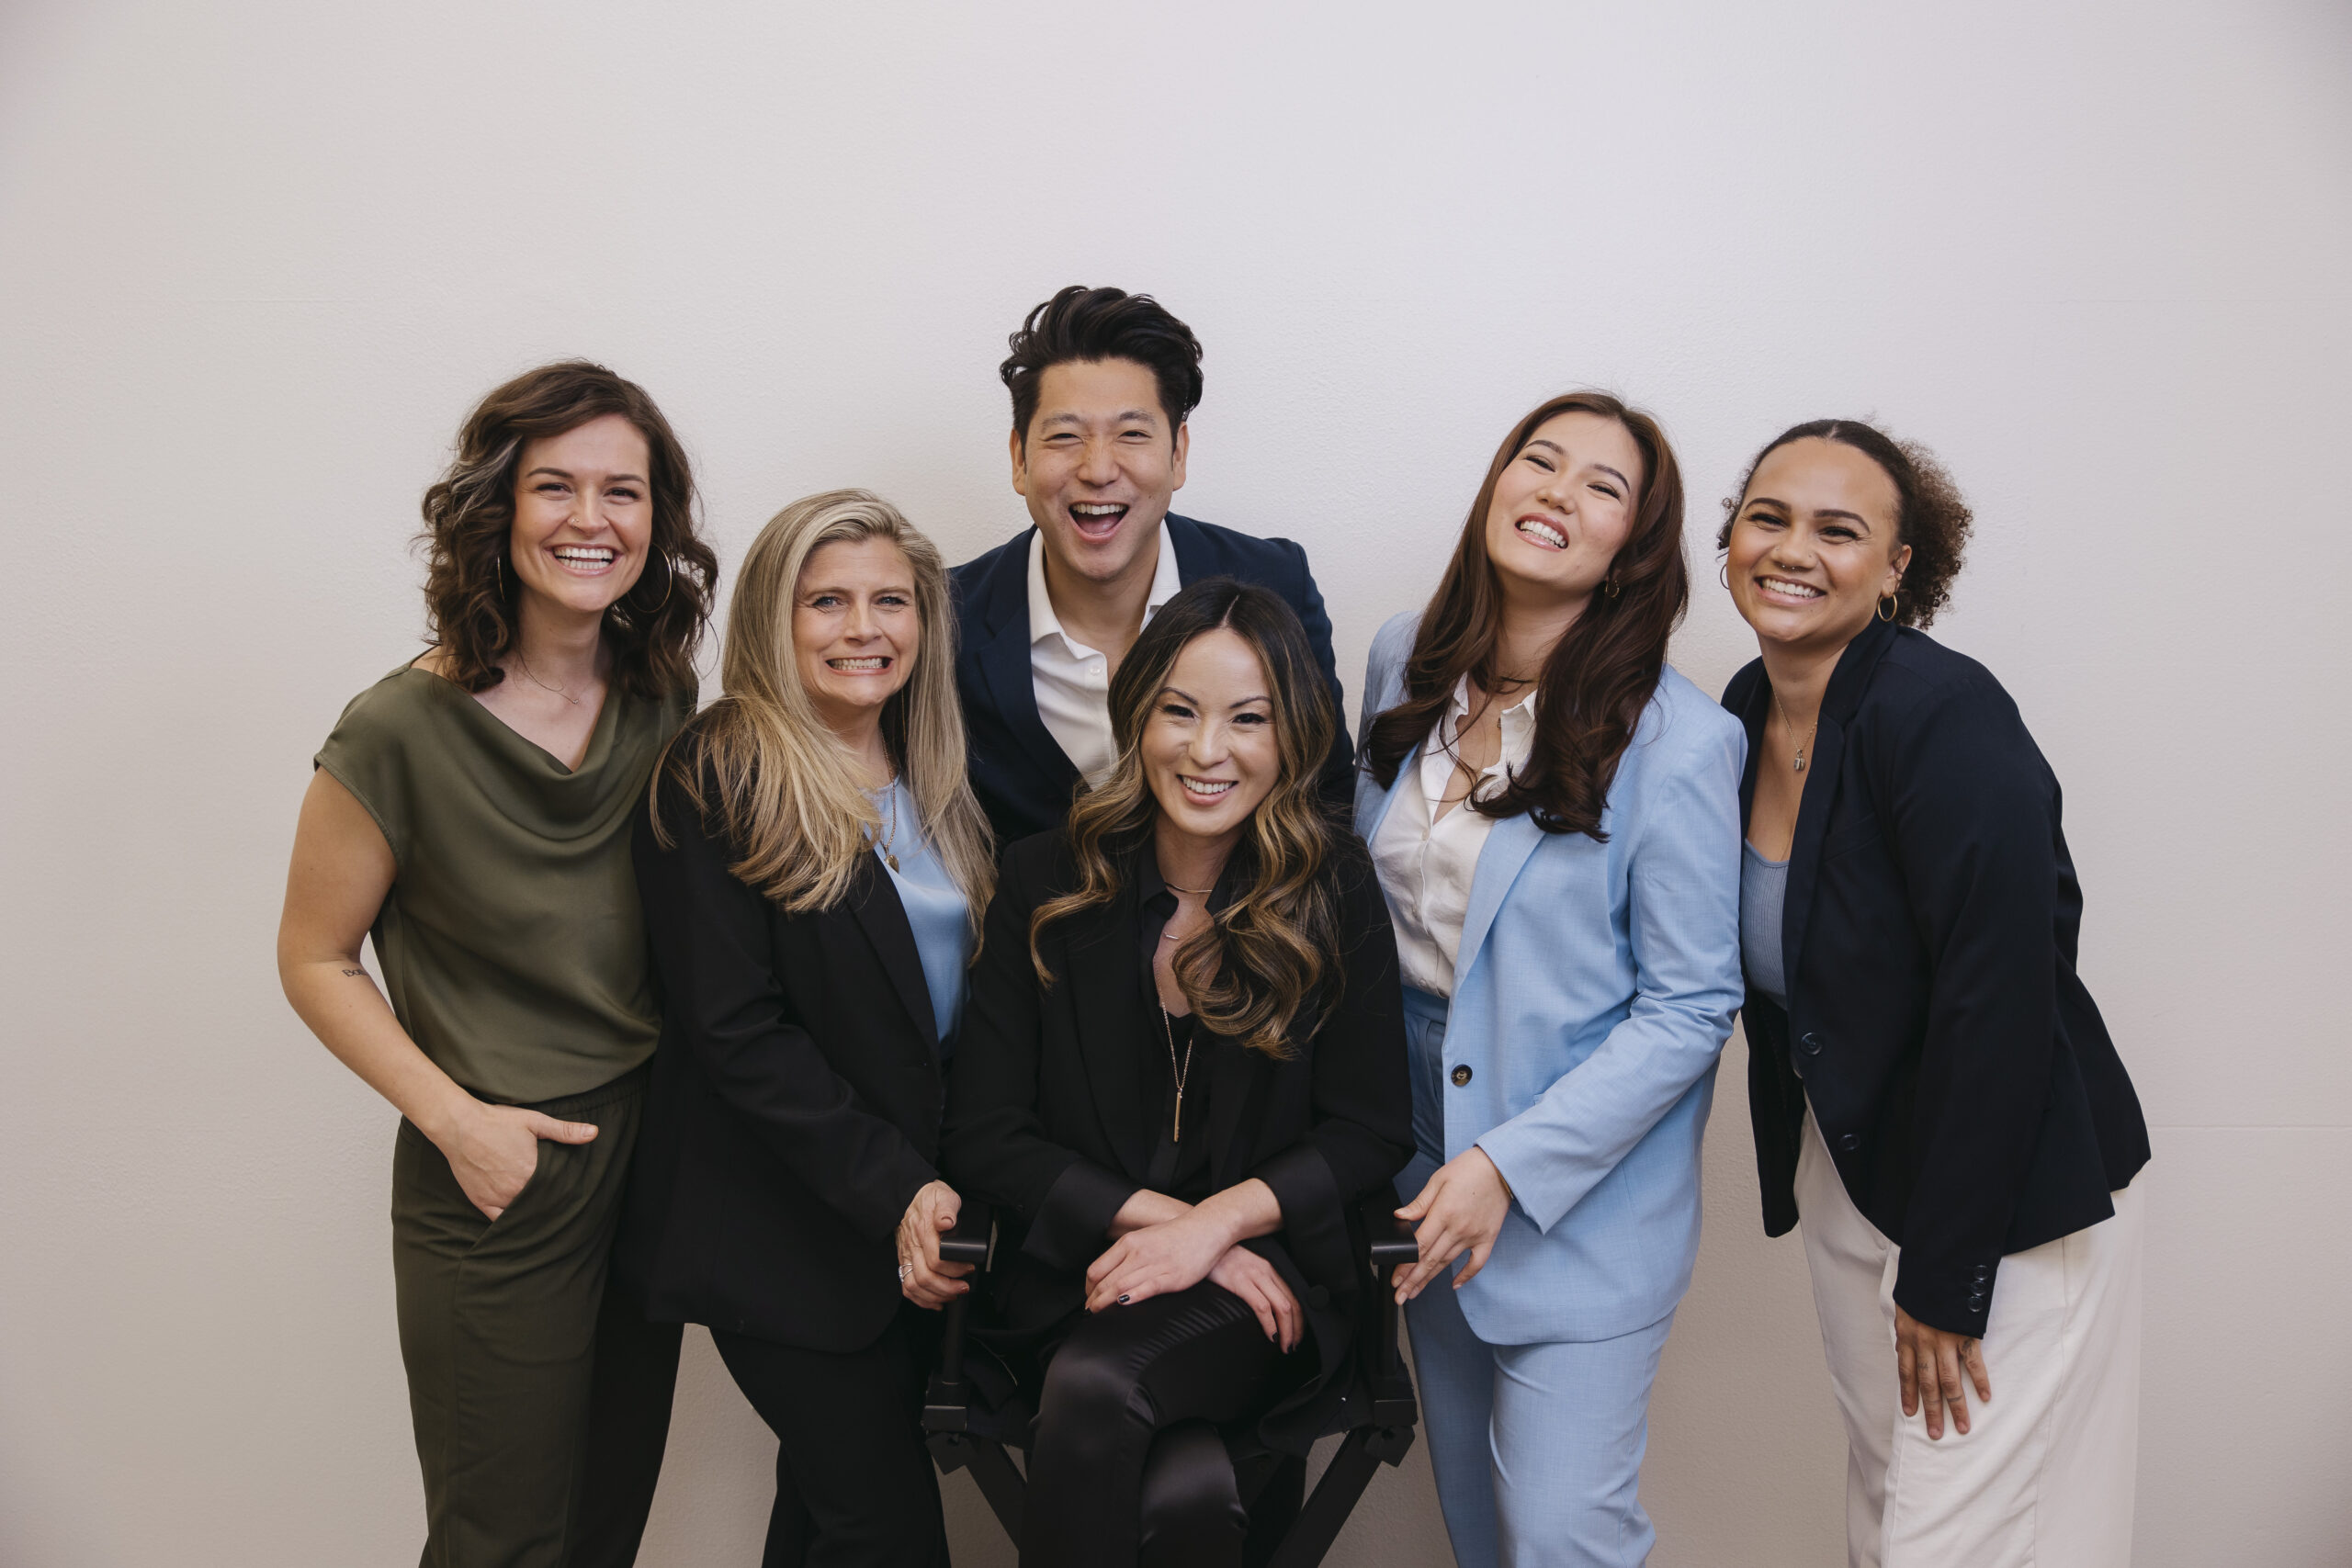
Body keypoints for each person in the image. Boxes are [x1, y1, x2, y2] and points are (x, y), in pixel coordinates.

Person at [276, 360, 717, 1568]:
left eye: (622, 491)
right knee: (500, 1540)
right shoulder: (395, 729)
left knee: (603, 1526)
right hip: (497, 1178)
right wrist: (459, 1123)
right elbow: (313, 956)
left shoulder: (662, 696)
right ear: (497, 507)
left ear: (657, 519)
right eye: (555, 486)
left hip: (650, 1158)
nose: (591, 518)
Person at [1717, 420, 2149, 1568]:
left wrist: (1950, 1275)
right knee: (1886, 1508)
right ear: (1730, 538)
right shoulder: (1743, 709)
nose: (1791, 550)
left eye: (1837, 530)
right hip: (1854, 1168)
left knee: (1949, 1537)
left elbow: (1999, 999)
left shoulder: (1939, 711)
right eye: (1767, 518)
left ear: (1896, 567)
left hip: (1999, 1197)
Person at [941, 577, 1412, 1568]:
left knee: (1100, 1388)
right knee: (1187, 1495)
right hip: (1080, 1275)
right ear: (1137, 717)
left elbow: (1370, 1130)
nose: (1207, 751)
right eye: (1179, 711)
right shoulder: (1043, 878)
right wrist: (1183, 1233)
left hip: (1265, 1296)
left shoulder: (1334, 886)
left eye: (1248, 718)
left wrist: (1220, 1227)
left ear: (1291, 736)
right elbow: (984, 1130)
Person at [1356, 391, 1746, 1568]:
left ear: (1630, 551)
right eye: (1539, 460)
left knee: (1563, 1531)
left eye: (1601, 487)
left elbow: (1690, 1006)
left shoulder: (1679, 743)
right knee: (1478, 1528)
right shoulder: (1400, 658)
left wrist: (1505, 1166)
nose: (1556, 493)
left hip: (1580, 1186)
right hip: (1409, 1154)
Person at [619, 490, 995, 1567]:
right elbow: (737, 1034)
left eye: (890, 601)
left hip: (904, 1232)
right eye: (825, 602)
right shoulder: (718, 773)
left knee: (829, 1517)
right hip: (776, 1234)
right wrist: (900, 1191)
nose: (862, 628)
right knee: (885, 1532)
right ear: (773, 621)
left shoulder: (935, 775)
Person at [951, 285, 1355, 844]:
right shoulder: (947, 617)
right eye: (1065, 436)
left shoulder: (1275, 582)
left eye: (1132, 435)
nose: (1097, 470)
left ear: (1177, 455)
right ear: (1020, 459)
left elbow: (1325, 800)